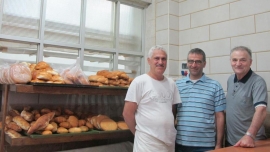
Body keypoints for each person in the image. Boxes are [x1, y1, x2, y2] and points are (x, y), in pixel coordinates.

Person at [122, 45, 181, 152]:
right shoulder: (139, 82)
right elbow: (127, 113)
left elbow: (171, 110)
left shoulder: (171, 83)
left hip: (168, 142)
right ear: (149, 61)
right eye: (156, 58)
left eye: (163, 59)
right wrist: (139, 134)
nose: (160, 62)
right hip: (146, 144)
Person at [175, 48, 226, 152]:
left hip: (206, 145)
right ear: (187, 63)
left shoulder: (215, 86)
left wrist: (219, 145)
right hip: (181, 144)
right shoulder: (177, 85)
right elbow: (172, 113)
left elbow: (220, 117)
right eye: (191, 61)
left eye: (198, 61)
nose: (194, 65)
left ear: (204, 64)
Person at [226, 46, 268, 148]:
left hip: (251, 141)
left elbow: (261, 110)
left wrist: (250, 135)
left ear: (250, 62)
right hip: (231, 141)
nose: (238, 64)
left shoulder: (258, 82)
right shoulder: (230, 79)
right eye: (234, 60)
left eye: (243, 60)